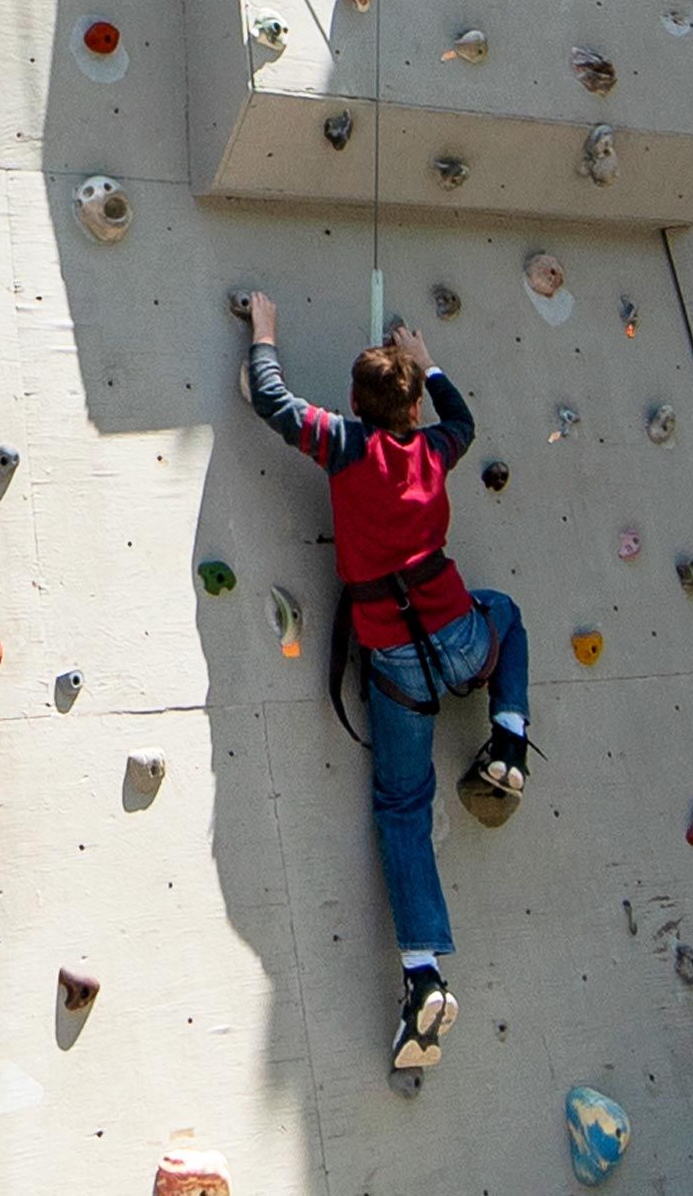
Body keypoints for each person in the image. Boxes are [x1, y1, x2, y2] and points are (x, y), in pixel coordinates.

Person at [240, 291, 533, 1072]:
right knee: (504, 613)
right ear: (410, 407)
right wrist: (430, 364)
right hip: (460, 635)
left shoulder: (344, 445)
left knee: (403, 810)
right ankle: (509, 737)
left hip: (395, 661)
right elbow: (464, 421)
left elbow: (270, 400)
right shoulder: (437, 448)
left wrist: (265, 331)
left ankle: (423, 973)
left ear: (356, 404)